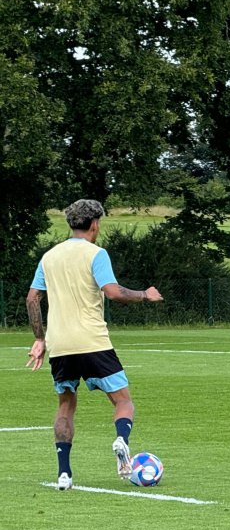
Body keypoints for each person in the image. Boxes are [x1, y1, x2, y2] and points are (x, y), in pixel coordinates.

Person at [25, 199, 163, 490]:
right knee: (123, 400)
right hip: (92, 340)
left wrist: (39, 339)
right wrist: (145, 295)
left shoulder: (49, 256)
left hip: (60, 345)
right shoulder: (96, 253)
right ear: (95, 224)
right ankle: (121, 441)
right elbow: (112, 292)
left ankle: (64, 474)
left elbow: (32, 298)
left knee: (66, 404)